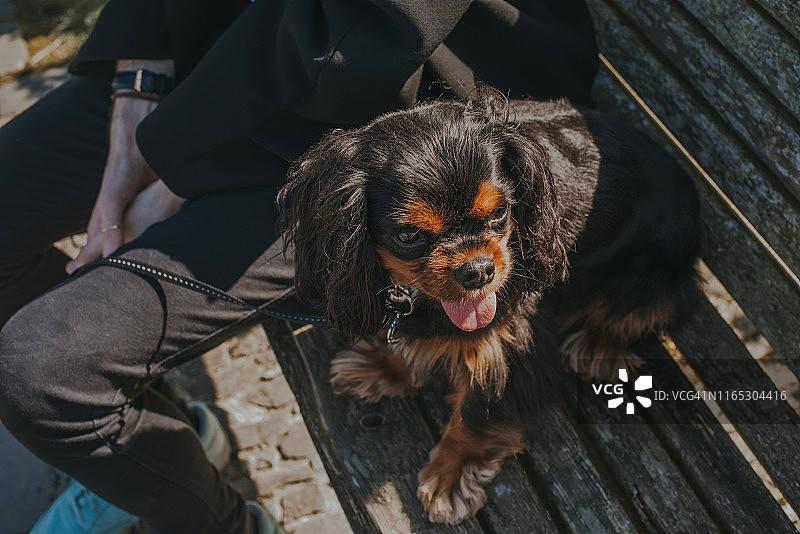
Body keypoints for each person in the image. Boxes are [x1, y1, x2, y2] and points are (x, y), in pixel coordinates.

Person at [0, 0, 599, 532]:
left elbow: (378, 20)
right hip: (207, 59)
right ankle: (140, 455)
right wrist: (136, 90)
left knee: (41, 375)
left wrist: (176, 157)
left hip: (399, 114)